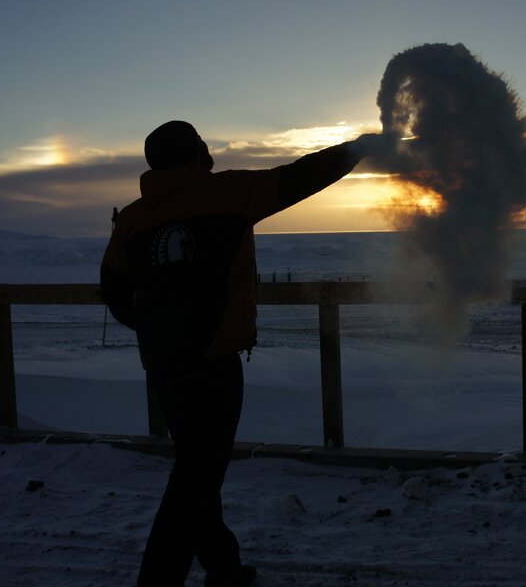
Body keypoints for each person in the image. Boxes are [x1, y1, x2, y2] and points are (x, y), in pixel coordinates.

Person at [100, 120, 388, 587]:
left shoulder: (132, 218)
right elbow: (303, 175)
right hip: (213, 366)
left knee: (196, 470)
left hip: (163, 368)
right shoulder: (230, 193)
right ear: (198, 153)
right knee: (195, 478)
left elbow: (113, 290)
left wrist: (153, 328)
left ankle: (223, 568)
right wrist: (359, 148)